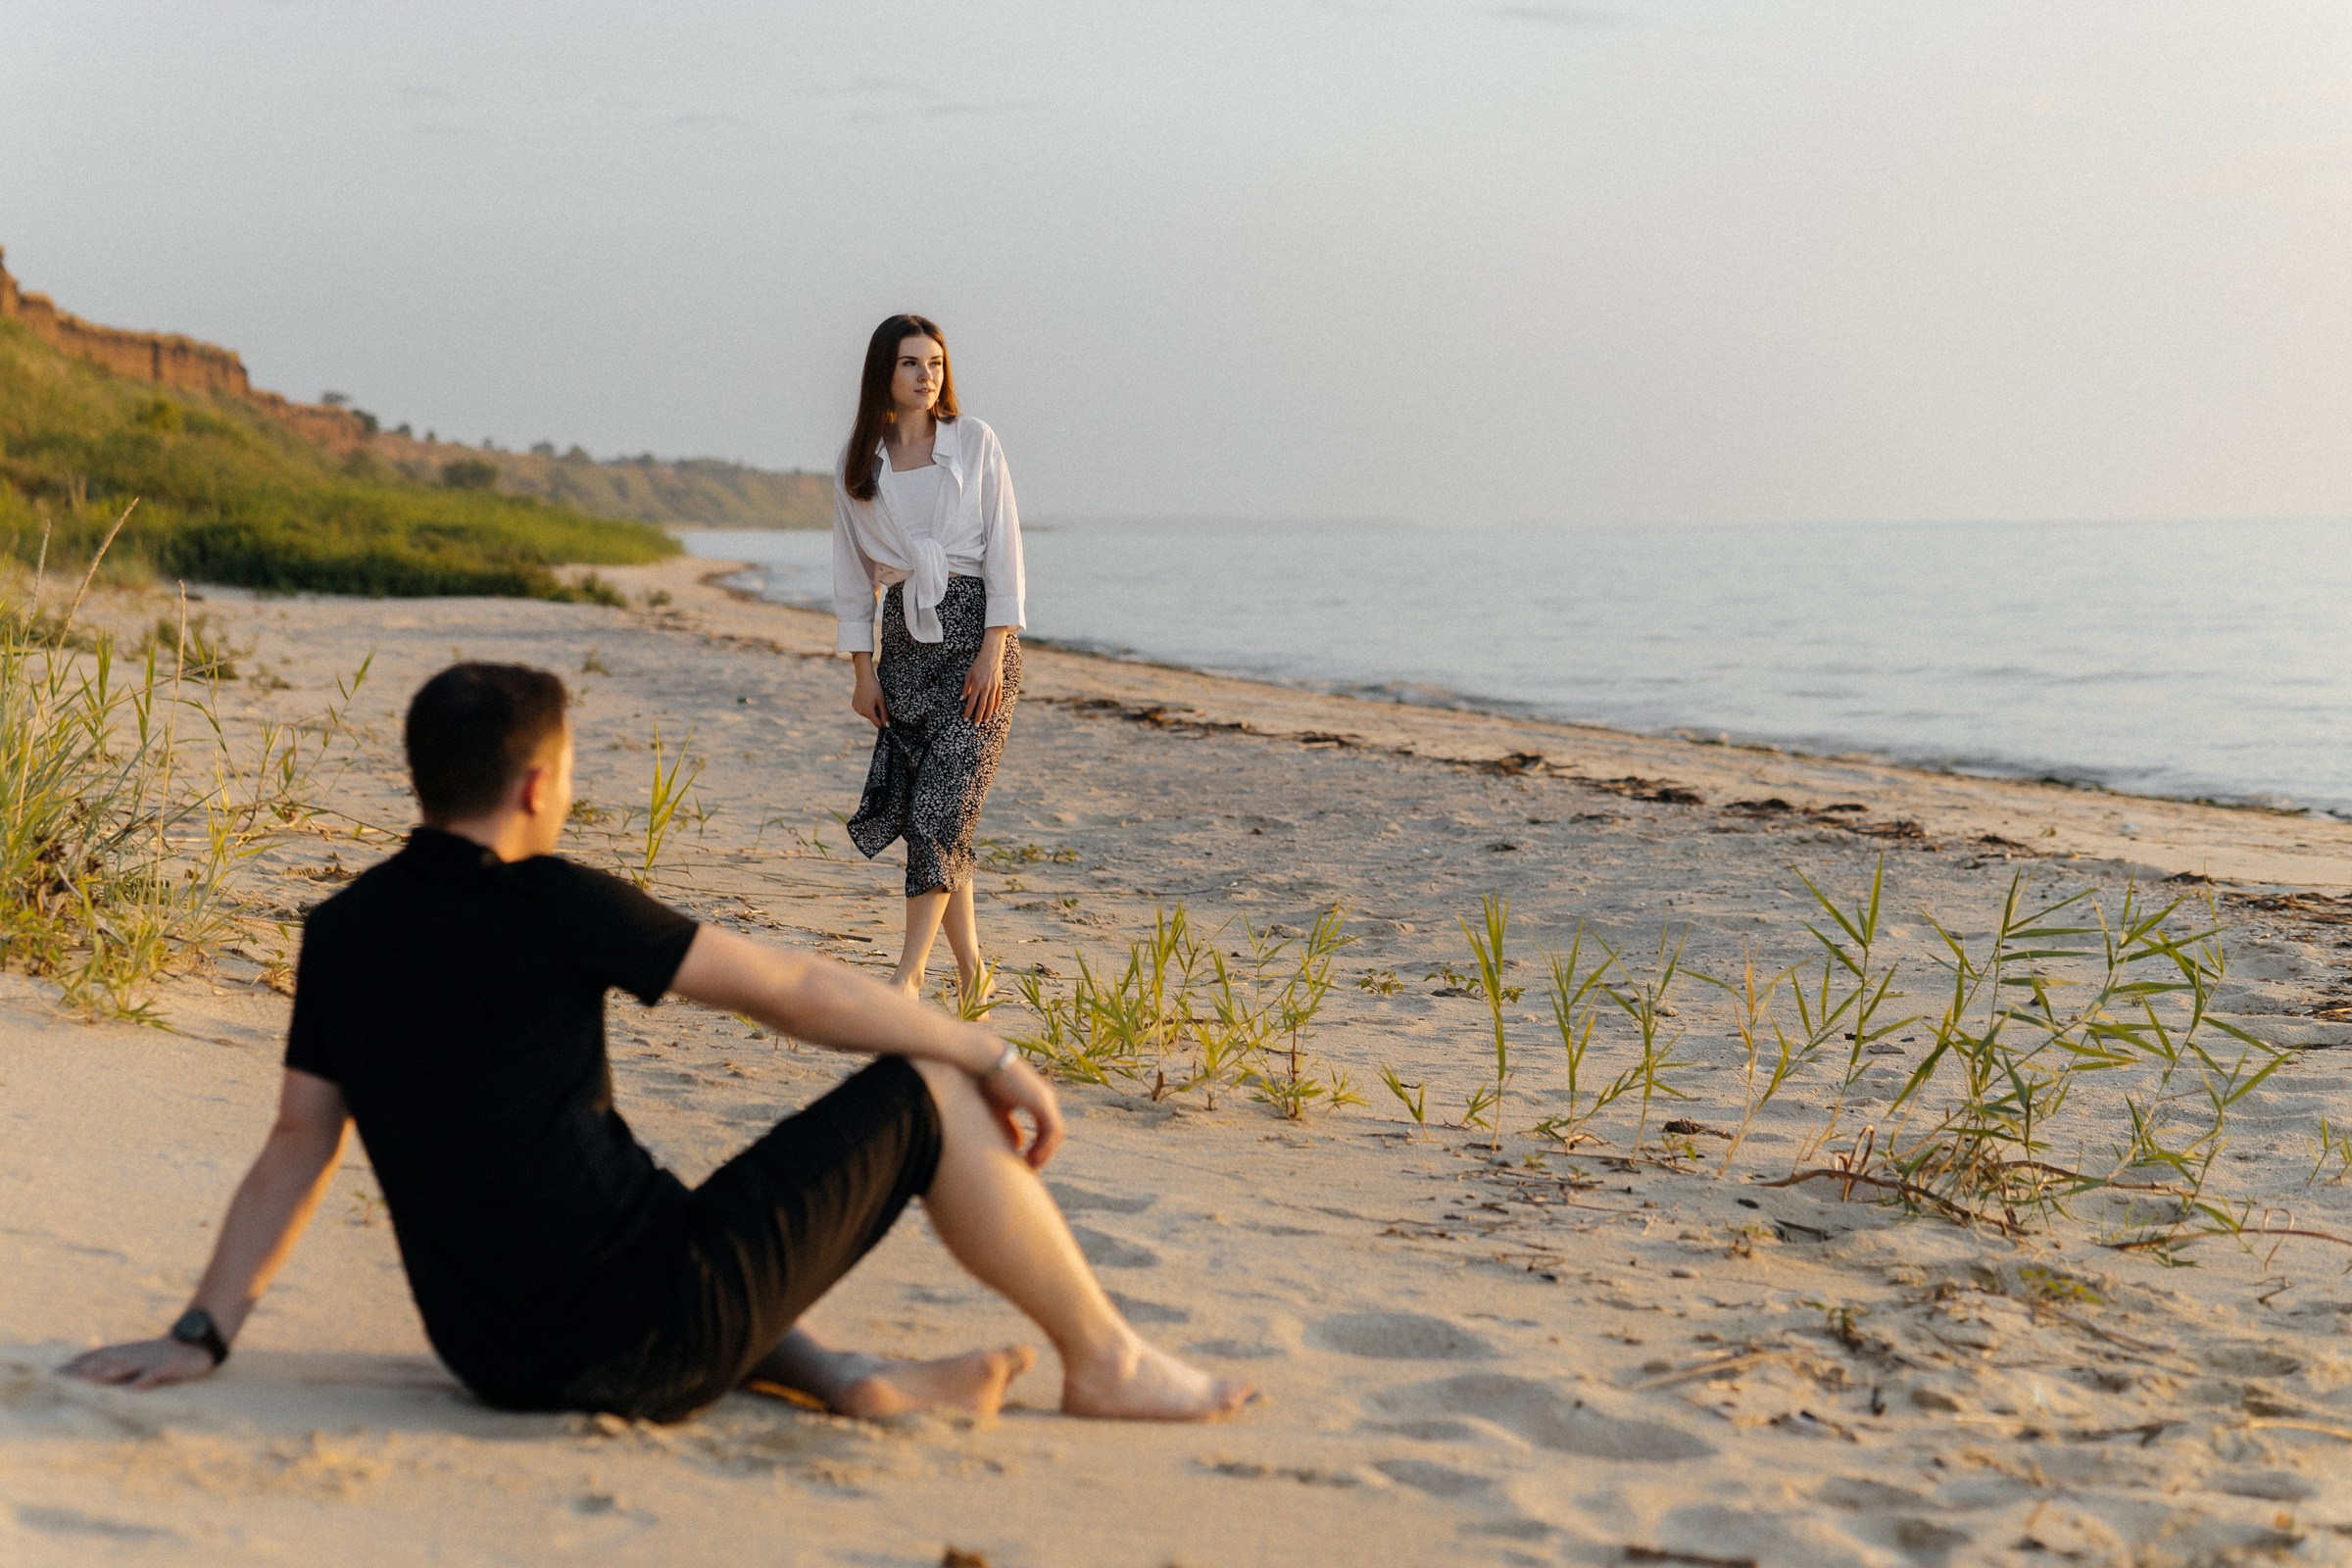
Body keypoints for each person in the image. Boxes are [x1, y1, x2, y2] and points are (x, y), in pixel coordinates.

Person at [61, 662, 1249, 1426]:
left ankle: (846, 1379)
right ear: (536, 784)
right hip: (650, 1327)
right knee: (926, 1086)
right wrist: (986, 1053)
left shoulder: (343, 926)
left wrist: (201, 1331)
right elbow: (789, 985)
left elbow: (294, 1146)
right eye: (569, 778)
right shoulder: (557, 899)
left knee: (643, 1204)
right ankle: (1105, 1358)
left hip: (493, 1357)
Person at [830, 313, 1025, 1003]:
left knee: (943, 806)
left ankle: (907, 976)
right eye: (912, 363)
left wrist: (995, 649)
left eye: (936, 363)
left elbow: (1004, 546)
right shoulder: (861, 462)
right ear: (885, 371)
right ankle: (973, 973)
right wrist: (862, 669)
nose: (926, 376)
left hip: (976, 637)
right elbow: (851, 573)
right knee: (932, 813)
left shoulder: (974, 442)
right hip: (905, 644)